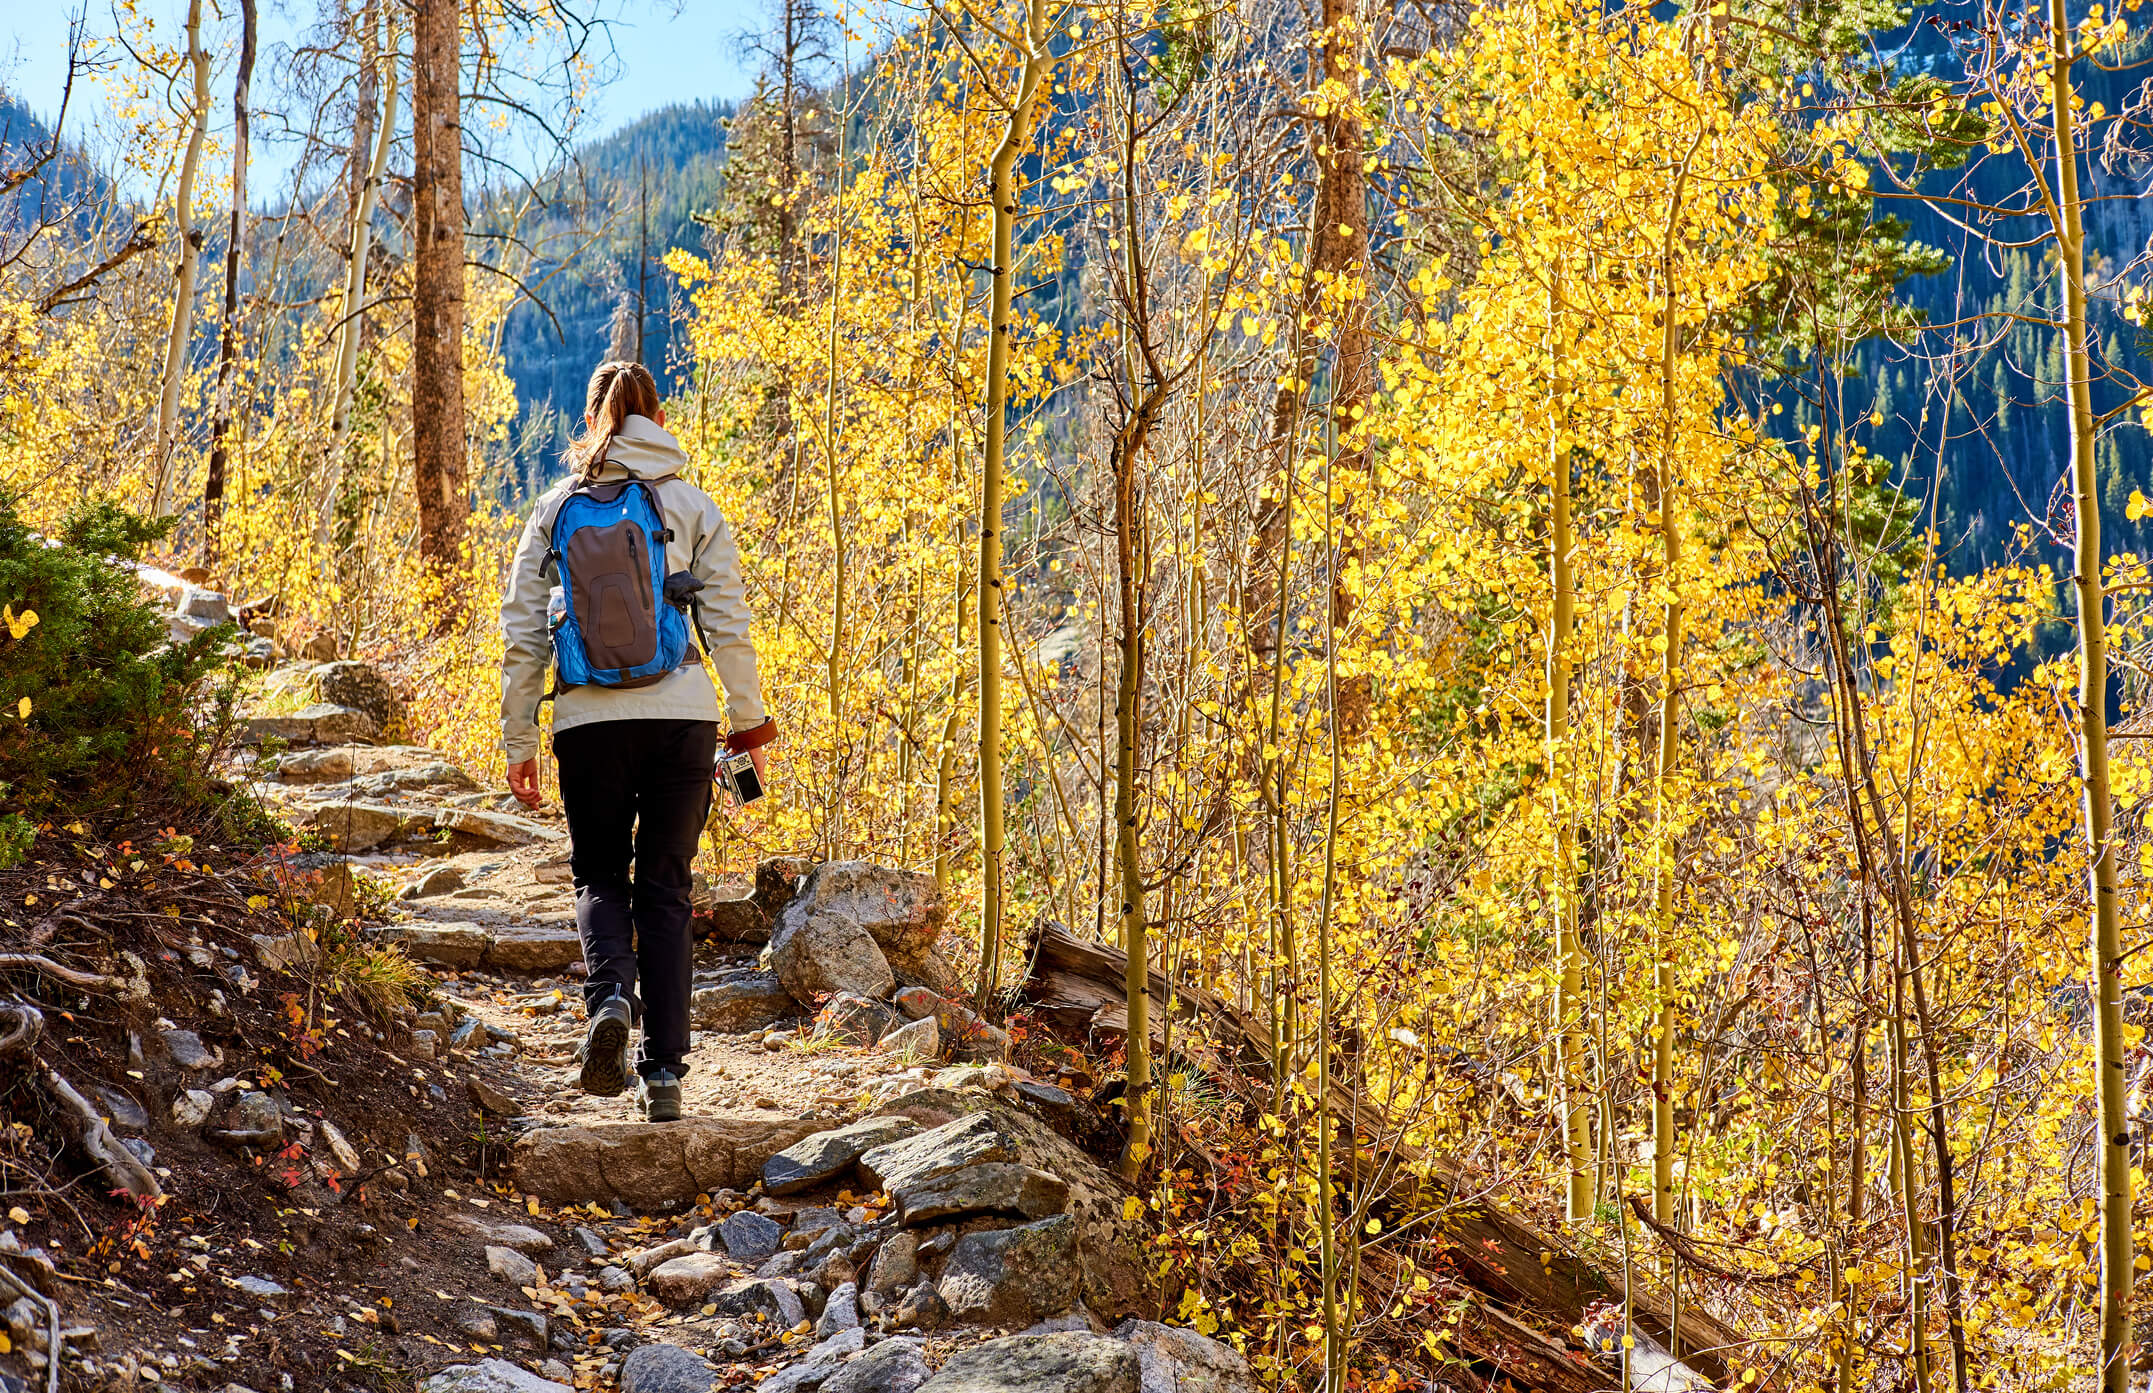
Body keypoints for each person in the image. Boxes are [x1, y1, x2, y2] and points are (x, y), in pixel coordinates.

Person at [498, 359, 774, 1123]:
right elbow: (727, 623)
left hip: (586, 723)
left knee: (598, 877)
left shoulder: (554, 509)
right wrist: (748, 721)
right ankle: (662, 1077)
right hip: (681, 717)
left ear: (592, 419)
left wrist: (519, 735)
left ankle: (610, 993)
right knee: (666, 889)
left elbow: (523, 634)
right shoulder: (690, 504)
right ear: (658, 415)